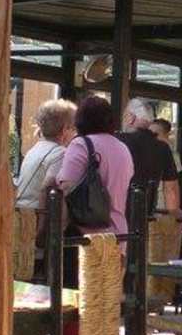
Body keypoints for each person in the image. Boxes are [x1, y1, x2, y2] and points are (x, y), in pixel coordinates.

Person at [52, 94, 135, 236]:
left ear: (80, 120)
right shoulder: (123, 148)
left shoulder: (81, 145)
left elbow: (66, 186)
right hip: (119, 233)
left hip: (87, 235)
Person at [117, 97, 180, 214]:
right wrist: (174, 217)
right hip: (146, 213)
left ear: (131, 118)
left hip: (115, 213)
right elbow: (171, 189)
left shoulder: (116, 142)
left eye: (124, 116)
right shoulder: (162, 148)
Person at [15, 98, 76, 209]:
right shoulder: (60, 153)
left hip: (21, 210)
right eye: (74, 129)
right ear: (64, 130)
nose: (75, 134)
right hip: (37, 213)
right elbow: (47, 188)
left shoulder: (34, 149)